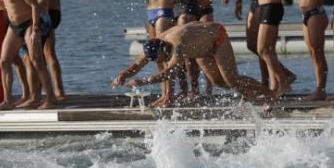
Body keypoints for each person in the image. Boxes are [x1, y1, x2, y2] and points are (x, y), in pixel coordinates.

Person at [114, 21, 272, 104]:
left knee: (232, 79)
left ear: (163, 50)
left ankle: (269, 96)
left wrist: (144, 81)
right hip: (201, 47)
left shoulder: (178, 44)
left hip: (217, 38)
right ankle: (251, 98)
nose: (160, 61)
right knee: (219, 82)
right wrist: (123, 75)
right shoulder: (154, 45)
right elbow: (138, 64)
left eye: (161, 58)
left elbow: (170, 72)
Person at [13, 0, 56, 109]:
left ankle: (48, 98)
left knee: (35, 59)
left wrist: (30, 11)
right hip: (31, 21)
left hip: (40, 21)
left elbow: (40, 1)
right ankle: (35, 96)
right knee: (28, 60)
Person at [32, 0, 66, 102]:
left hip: (47, 14)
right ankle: (59, 91)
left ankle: (40, 91)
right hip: (56, 12)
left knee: (39, 55)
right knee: (49, 54)